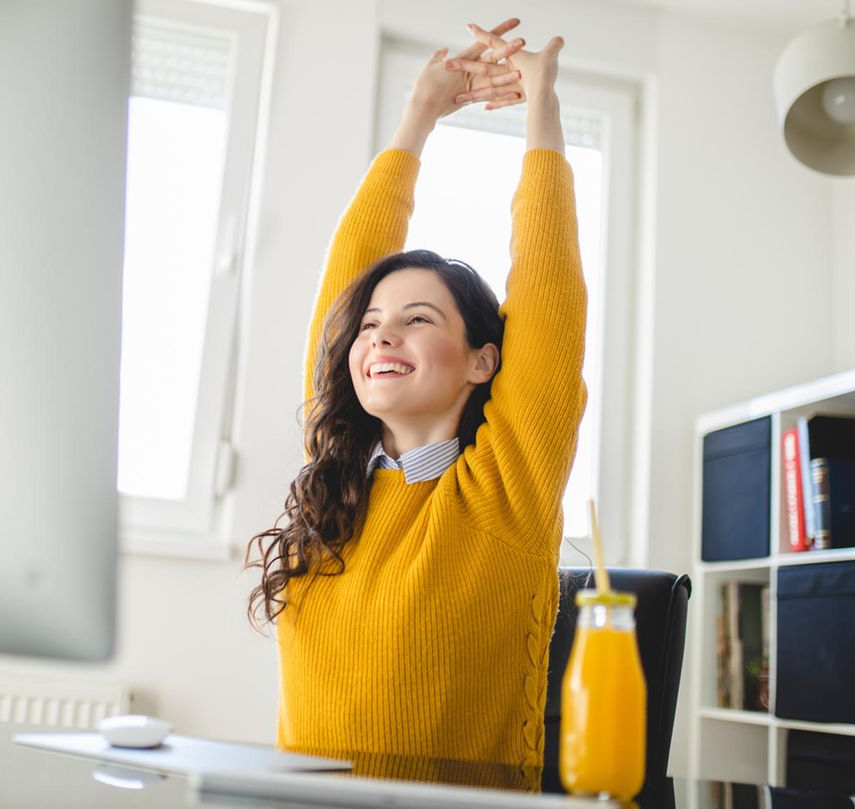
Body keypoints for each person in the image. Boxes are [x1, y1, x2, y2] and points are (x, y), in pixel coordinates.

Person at [246, 18, 586, 791]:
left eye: (417, 319)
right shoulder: (333, 481)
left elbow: (549, 292)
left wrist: (541, 105)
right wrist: (418, 116)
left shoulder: (506, 489)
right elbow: (347, 286)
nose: (380, 337)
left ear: (483, 360)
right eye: (370, 327)